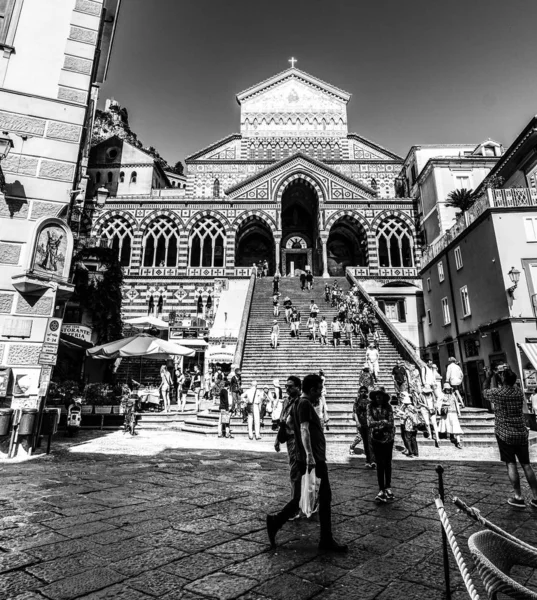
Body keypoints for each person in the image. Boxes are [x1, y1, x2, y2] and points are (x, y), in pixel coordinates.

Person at [266, 373, 348, 553]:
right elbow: (304, 429)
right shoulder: (303, 403)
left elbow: (289, 424)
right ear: (311, 389)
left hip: (309, 457)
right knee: (324, 497)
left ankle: (276, 522)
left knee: (301, 499)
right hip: (313, 459)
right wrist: (310, 455)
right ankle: (325, 540)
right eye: (319, 389)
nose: (320, 393)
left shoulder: (297, 403)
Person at [484, 367, 537, 508]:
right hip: (520, 432)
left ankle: (518, 496)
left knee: (511, 464)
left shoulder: (498, 393)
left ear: (502, 380)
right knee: (526, 464)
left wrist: (489, 377)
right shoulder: (519, 392)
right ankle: (536, 496)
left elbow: (484, 391)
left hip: (504, 433)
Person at [274, 376, 302, 520]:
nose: (287, 389)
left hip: (298, 441)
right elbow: (283, 421)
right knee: (295, 473)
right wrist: (278, 439)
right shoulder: (286, 401)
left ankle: (295, 507)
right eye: (286, 386)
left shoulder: (302, 403)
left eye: (290, 386)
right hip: (290, 440)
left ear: (298, 387)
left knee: (295, 475)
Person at [367, 388, 396, 502]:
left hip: (388, 438)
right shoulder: (370, 407)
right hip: (376, 438)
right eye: (377, 397)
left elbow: (391, 422)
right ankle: (381, 488)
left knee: (388, 463)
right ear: (374, 397)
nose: (379, 398)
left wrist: (380, 423)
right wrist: (383, 422)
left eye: (381, 396)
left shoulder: (388, 407)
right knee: (380, 464)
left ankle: (388, 486)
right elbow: (369, 422)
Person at [350, 386, 376, 468]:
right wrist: (357, 422)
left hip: (369, 423)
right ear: (359, 392)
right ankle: (368, 460)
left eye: (365, 391)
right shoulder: (357, 401)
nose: (363, 392)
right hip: (361, 423)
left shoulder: (369, 401)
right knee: (365, 443)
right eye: (362, 391)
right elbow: (355, 412)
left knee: (370, 442)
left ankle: (372, 461)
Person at [438, 383, 464, 449]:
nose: (448, 390)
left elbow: (456, 404)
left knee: (456, 426)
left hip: (453, 412)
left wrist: (459, 412)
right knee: (448, 425)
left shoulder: (453, 395)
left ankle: (458, 441)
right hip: (446, 413)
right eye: (447, 389)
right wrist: (444, 403)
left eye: (449, 389)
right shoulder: (442, 395)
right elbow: (438, 403)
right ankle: (450, 435)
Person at [398, 392, 419, 458]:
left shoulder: (407, 408)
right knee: (414, 439)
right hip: (415, 425)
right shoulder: (413, 407)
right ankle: (416, 452)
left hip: (408, 425)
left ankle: (411, 452)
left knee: (408, 439)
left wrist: (399, 413)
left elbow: (405, 416)